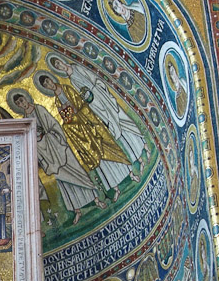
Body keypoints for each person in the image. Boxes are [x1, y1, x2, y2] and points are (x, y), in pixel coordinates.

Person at [11, 92, 103, 224]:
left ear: (26, 98)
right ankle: (77, 211)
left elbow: (54, 124)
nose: (21, 104)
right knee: (64, 182)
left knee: (77, 170)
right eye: (18, 103)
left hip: (58, 147)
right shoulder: (25, 120)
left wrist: (48, 136)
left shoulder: (39, 109)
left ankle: (96, 200)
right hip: (48, 156)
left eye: (21, 100)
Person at [37, 74, 132, 200]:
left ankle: (130, 173)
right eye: (46, 85)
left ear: (51, 79)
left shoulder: (66, 88)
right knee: (96, 159)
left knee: (106, 147)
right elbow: (65, 116)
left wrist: (75, 111)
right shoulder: (56, 101)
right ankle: (114, 188)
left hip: (87, 123)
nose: (49, 85)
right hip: (79, 131)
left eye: (48, 81)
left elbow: (79, 102)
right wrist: (69, 118)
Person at [49, 56, 146, 165]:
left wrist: (97, 89)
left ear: (62, 60)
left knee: (118, 115)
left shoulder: (76, 68)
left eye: (59, 63)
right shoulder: (70, 80)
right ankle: (133, 152)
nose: (60, 66)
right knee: (111, 124)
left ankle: (142, 142)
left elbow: (92, 78)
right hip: (93, 103)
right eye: (57, 66)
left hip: (100, 94)